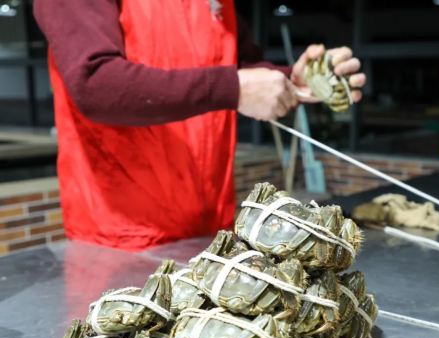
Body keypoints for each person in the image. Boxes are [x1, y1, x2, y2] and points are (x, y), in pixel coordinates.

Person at [34, 0, 366, 252]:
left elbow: (242, 66)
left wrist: (292, 80)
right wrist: (233, 88)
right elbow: (95, 84)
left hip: (212, 231)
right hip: (119, 239)